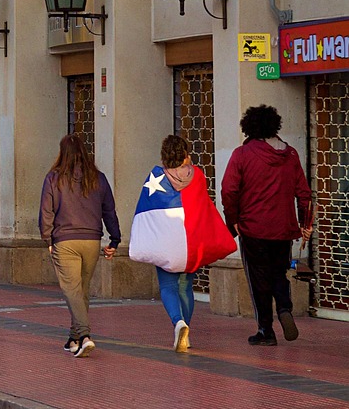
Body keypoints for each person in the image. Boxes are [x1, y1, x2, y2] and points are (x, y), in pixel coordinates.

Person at [131, 135, 234, 353]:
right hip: (190, 243)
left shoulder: (157, 176)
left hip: (166, 243)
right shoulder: (197, 175)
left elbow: (145, 210)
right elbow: (203, 206)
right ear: (186, 153)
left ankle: (178, 322)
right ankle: (186, 330)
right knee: (186, 286)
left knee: (168, 286)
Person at [221, 104, 313, 347]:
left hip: (253, 228)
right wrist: (305, 224)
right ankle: (284, 307)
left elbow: (228, 190)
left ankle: (265, 330)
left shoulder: (242, 155)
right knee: (279, 273)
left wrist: (233, 220)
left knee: (258, 279)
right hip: (283, 229)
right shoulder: (291, 155)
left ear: (249, 127)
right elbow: (304, 194)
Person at [38, 133, 120, 357]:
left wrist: (47, 238)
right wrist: (114, 238)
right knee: (81, 291)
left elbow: (46, 210)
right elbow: (109, 211)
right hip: (91, 241)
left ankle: (84, 336)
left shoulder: (54, 178)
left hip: (65, 240)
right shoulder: (98, 178)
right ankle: (73, 338)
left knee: (72, 290)